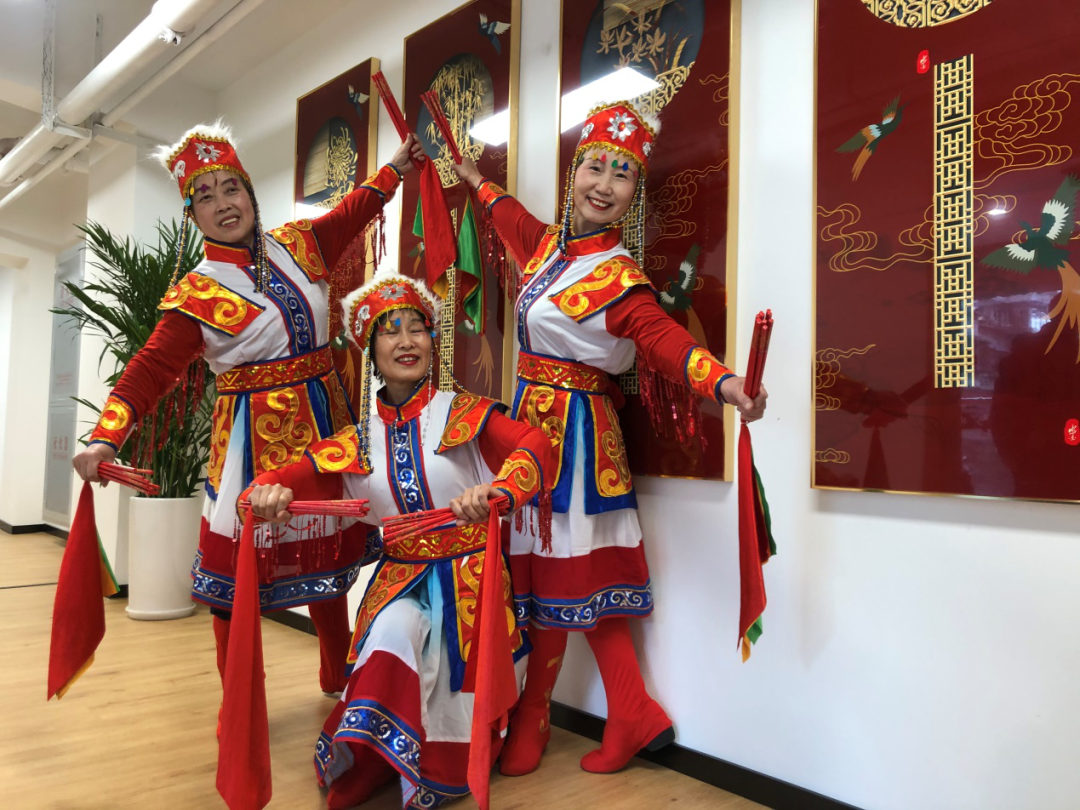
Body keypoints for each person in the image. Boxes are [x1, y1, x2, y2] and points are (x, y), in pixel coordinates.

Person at [452, 100, 768, 775]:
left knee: (567, 575)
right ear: (573, 175)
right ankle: (622, 712)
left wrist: (725, 384)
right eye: (594, 167)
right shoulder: (546, 248)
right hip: (526, 435)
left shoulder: (621, 279)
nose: (603, 184)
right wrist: (472, 178)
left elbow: (664, 342)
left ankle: (544, 715)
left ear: (634, 193)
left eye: (621, 175)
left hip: (576, 444)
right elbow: (506, 214)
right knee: (552, 577)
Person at [71, 120, 425, 698]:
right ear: (193, 216)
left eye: (230, 187)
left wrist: (394, 170)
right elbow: (151, 367)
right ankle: (238, 700)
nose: (223, 204)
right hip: (250, 444)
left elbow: (350, 214)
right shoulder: (196, 293)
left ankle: (337, 674)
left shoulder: (298, 245)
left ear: (249, 192)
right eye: (205, 197)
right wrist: (105, 436)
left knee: (327, 557)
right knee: (232, 582)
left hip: (325, 427)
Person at [245, 272, 553, 808]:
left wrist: (500, 491)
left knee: (455, 708)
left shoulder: (465, 414)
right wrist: (264, 493)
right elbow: (286, 478)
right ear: (371, 348)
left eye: (417, 328)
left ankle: (423, 761)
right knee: (390, 634)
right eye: (391, 332)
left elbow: (534, 444)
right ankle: (370, 759)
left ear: (433, 340)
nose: (407, 341)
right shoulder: (358, 440)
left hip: (471, 587)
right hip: (400, 580)